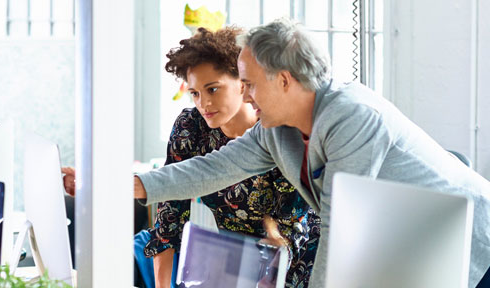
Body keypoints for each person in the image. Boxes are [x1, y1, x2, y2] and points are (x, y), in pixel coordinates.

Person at [134, 18, 490, 288]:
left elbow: (340, 231)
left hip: (470, 241)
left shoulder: (351, 117)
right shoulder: (277, 129)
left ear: (284, 81)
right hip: (408, 245)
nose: (246, 96)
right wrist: (131, 185)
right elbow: (212, 169)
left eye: (252, 85)